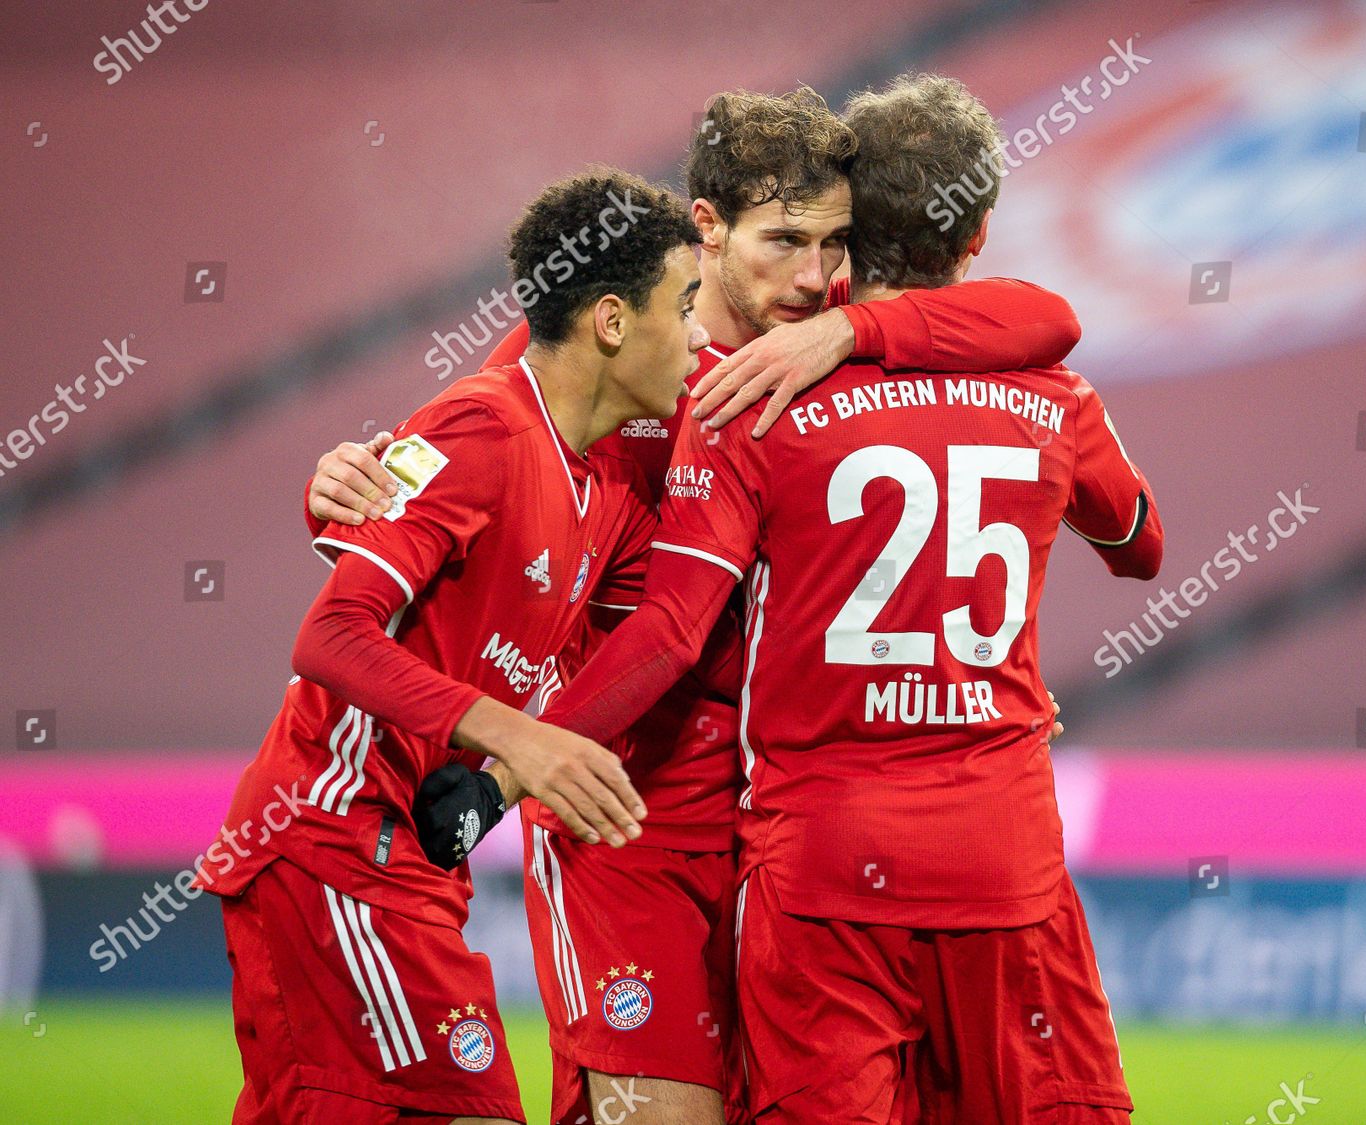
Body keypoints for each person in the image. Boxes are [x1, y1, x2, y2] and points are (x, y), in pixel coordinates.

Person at [308, 85, 1083, 1125]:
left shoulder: (833, 350)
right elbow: (436, 473)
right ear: (705, 230)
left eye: (837, 244)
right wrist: (330, 487)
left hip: (792, 841)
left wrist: (845, 336)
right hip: (632, 825)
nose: (814, 275)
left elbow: (1048, 319)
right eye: (783, 241)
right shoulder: (608, 356)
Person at [196, 168, 706, 1124]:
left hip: (412, 866)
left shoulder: (607, 489)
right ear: (609, 321)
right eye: (682, 307)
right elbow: (331, 633)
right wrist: (522, 737)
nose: (700, 336)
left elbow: (675, 626)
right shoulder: (482, 427)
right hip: (331, 842)